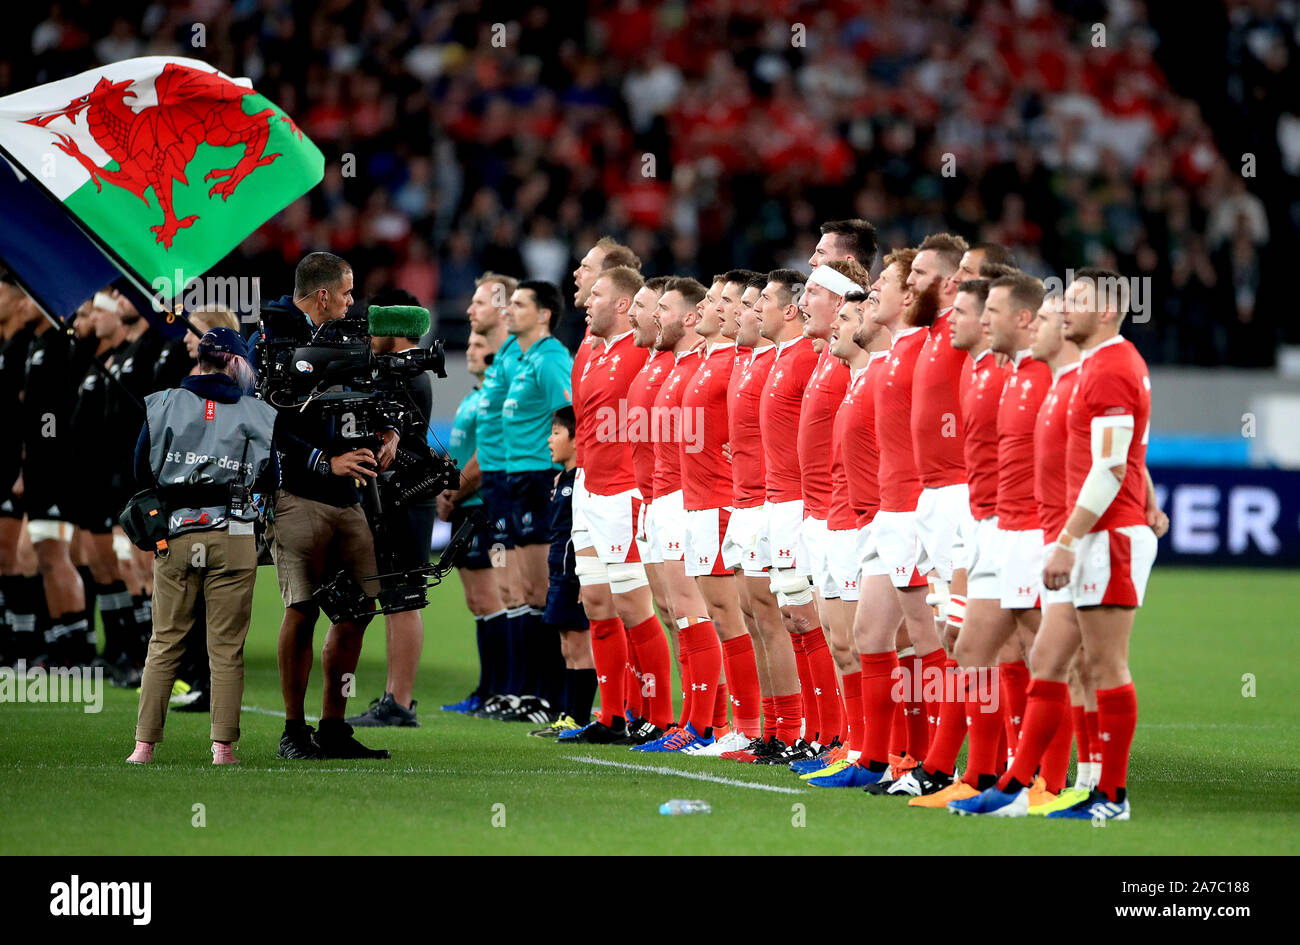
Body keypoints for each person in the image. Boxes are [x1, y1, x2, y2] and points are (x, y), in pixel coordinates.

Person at [258, 252, 396, 760]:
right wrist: (324, 461)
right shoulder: (271, 341)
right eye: (346, 291)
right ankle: (293, 731)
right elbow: (265, 425)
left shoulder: (344, 338)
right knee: (302, 607)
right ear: (322, 295)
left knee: (359, 610)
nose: (350, 300)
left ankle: (333, 727)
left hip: (349, 496)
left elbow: (374, 393)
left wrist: (389, 429)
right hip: (298, 495)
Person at [124, 328, 278, 765]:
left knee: (165, 642)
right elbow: (272, 479)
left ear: (203, 358)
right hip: (233, 535)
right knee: (226, 647)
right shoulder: (258, 412)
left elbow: (140, 469)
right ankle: (222, 748)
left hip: (176, 533)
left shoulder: (164, 403)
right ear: (234, 363)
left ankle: (144, 746)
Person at [348, 297, 439, 728]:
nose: (369, 336)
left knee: (403, 597)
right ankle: (393, 697)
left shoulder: (406, 374)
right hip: (402, 496)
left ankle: (399, 702)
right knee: (395, 594)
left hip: (405, 495)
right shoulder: (407, 371)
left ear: (396, 330)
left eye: (376, 328)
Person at [436, 331, 508, 716]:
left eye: (480, 346)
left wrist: (454, 494)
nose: (471, 350)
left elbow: (482, 458)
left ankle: (503, 688)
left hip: (484, 509)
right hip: (464, 507)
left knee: (494, 597)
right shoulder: (471, 397)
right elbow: (459, 453)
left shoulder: (492, 400)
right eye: (471, 344)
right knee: (477, 601)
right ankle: (487, 689)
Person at [528, 406, 598, 736]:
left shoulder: (584, 480)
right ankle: (567, 715)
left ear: (576, 438)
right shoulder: (564, 479)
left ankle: (579, 717)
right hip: (559, 571)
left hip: (575, 572)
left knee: (580, 645)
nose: (549, 439)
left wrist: (586, 575)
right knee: (567, 645)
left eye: (556, 433)